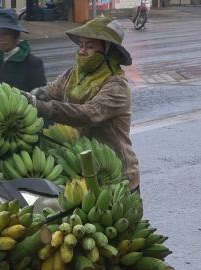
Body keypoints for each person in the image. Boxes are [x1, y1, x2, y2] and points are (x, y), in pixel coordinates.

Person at [20, 16, 141, 192]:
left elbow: (88, 114)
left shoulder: (117, 86)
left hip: (116, 173)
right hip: (79, 168)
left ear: (109, 51)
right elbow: (53, 90)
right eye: (81, 45)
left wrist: (43, 108)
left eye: (90, 47)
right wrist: (38, 95)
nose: (82, 51)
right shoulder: (74, 74)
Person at [0, 8, 47, 92]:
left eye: (5, 33)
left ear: (15, 35)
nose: (0, 39)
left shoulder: (32, 62)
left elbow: (40, 96)